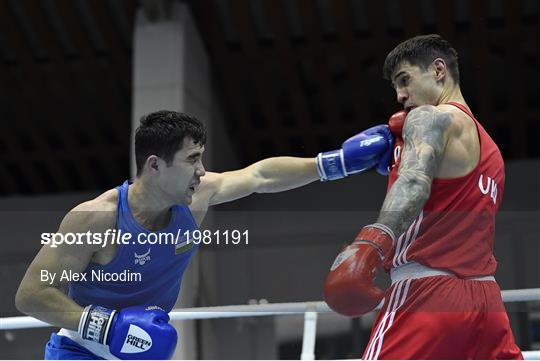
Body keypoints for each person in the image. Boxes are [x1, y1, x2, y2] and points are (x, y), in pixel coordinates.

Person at [15, 110, 394, 360]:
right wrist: (106, 327)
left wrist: (334, 164)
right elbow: (31, 295)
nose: (202, 170)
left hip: (144, 348)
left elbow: (259, 176)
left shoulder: (197, 198)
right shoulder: (95, 219)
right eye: (192, 159)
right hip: (81, 350)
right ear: (154, 165)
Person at [324, 34, 523, 359]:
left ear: (438, 70)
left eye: (405, 80)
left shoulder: (429, 117)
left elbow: (414, 182)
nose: (400, 95)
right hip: (487, 301)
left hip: (427, 294)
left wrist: (374, 241)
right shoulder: (493, 152)